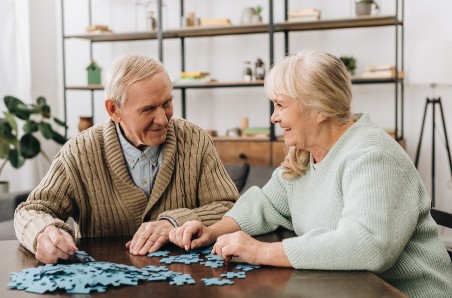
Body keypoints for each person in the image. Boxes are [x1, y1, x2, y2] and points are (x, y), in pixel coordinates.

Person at [169, 51, 452, 297]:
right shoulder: (306, 154)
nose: (273, 117)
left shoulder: (373, 156)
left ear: (318, 108)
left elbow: (368, 246)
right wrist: (212, 231)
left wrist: (261, 251)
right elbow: (266, 204)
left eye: (280, 105)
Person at [14, 54, 239, 264]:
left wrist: (173, 222)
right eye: (148, 109)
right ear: (114, 109)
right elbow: (32, 211)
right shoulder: (79, 152)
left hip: (187, 284)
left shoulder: (195, 140)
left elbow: (231, 208)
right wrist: (43, 232)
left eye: (167, 103)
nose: (162, 119)